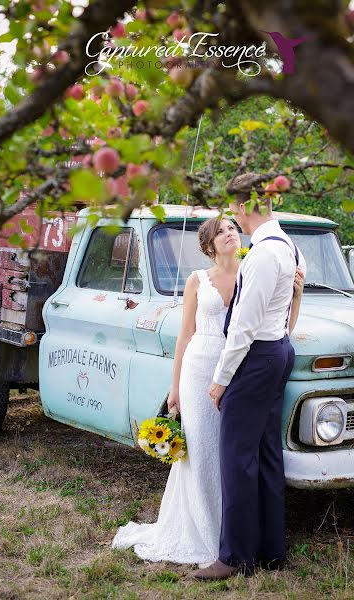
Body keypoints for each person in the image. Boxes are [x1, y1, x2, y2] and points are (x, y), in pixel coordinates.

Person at [113, 206, 304, 567]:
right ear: (209, 246)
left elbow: (280, 327)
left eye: (233, 227)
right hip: (202, 369)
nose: (230, 233)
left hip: (240, 365)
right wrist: (175, 388)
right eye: (221, 232)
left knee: (233, 455)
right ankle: (204, 532)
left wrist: (295, 297)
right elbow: (186, 335)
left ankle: (232, 536)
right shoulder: (198, 280)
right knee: (203, 453)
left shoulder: (255, 268)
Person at [194, 173, 306, 580]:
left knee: (237, 456)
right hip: (277, 350)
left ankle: (236, 556)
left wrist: (221, 379)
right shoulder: (291, 246)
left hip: (256, 357)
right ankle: (271, 550)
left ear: (243, 207)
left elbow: (243, 325)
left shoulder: (261, 254)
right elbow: (288, 304)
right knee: (266, 453)